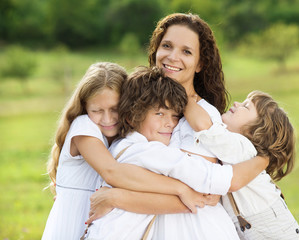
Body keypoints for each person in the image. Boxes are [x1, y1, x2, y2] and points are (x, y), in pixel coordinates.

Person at [87, 13, 268, 239]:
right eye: (167, 46)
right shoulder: (138, 101)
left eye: (186, 51)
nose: (172, 57)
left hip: (196, 229)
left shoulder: (204, 119)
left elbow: (200, 194)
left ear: (200, 63)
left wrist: (115, 198)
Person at [42, 62, 208, 240]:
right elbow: (112, 173)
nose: (107, 119)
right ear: (85, 107)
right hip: (71, 227)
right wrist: (181, 189)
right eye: (97, 110)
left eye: (115, 109)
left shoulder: (126, 142)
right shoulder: (84, 127)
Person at [84, 66, 241, 239]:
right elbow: (193, 171)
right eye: (159, 113)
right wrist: (261, 159)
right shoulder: (144, 151)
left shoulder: (120, 146)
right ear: (131, 117)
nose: (169, 123)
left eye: (175, 116)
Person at [186, 90, 299, 239]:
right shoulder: (238, 152)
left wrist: (185, 97)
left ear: (254, 131)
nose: (236, 103)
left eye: (246, 106)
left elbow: (203, 125)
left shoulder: (243, 147)